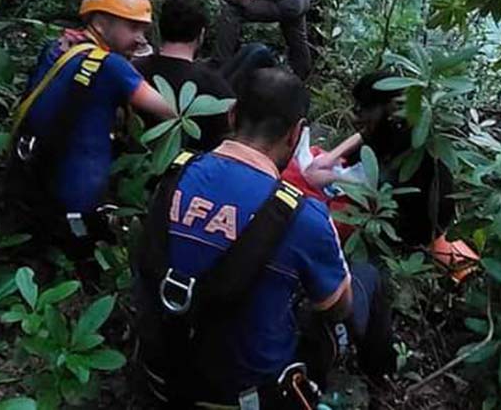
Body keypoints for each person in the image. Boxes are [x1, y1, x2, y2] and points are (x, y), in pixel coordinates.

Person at [134, 68, 395, 408]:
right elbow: (336, 309)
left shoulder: (175, 173)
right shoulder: (304, 217)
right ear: (296, 133)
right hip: (248, 395)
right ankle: (383, 378)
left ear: (231, 115)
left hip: (162, 374)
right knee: (365, 278)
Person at [9, 0, 175, 245]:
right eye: (133, 27)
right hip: (80, 194)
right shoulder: (111, 67)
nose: (140, 39)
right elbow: (170, 111)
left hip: (32, 172)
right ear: (100, 22)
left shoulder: (57, 48)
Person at [351, 71, 455, 246]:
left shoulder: (410, 138)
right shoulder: (398, 126)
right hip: (422, 219)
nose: (358, 114)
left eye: (364, 108)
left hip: (410, 228)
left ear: (391, 106)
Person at [134, 0, 234, 151]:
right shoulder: (216, 87)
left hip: (130, 165)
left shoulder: (131, 72)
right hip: (192, 168)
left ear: (160, 29)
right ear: (201, 35)